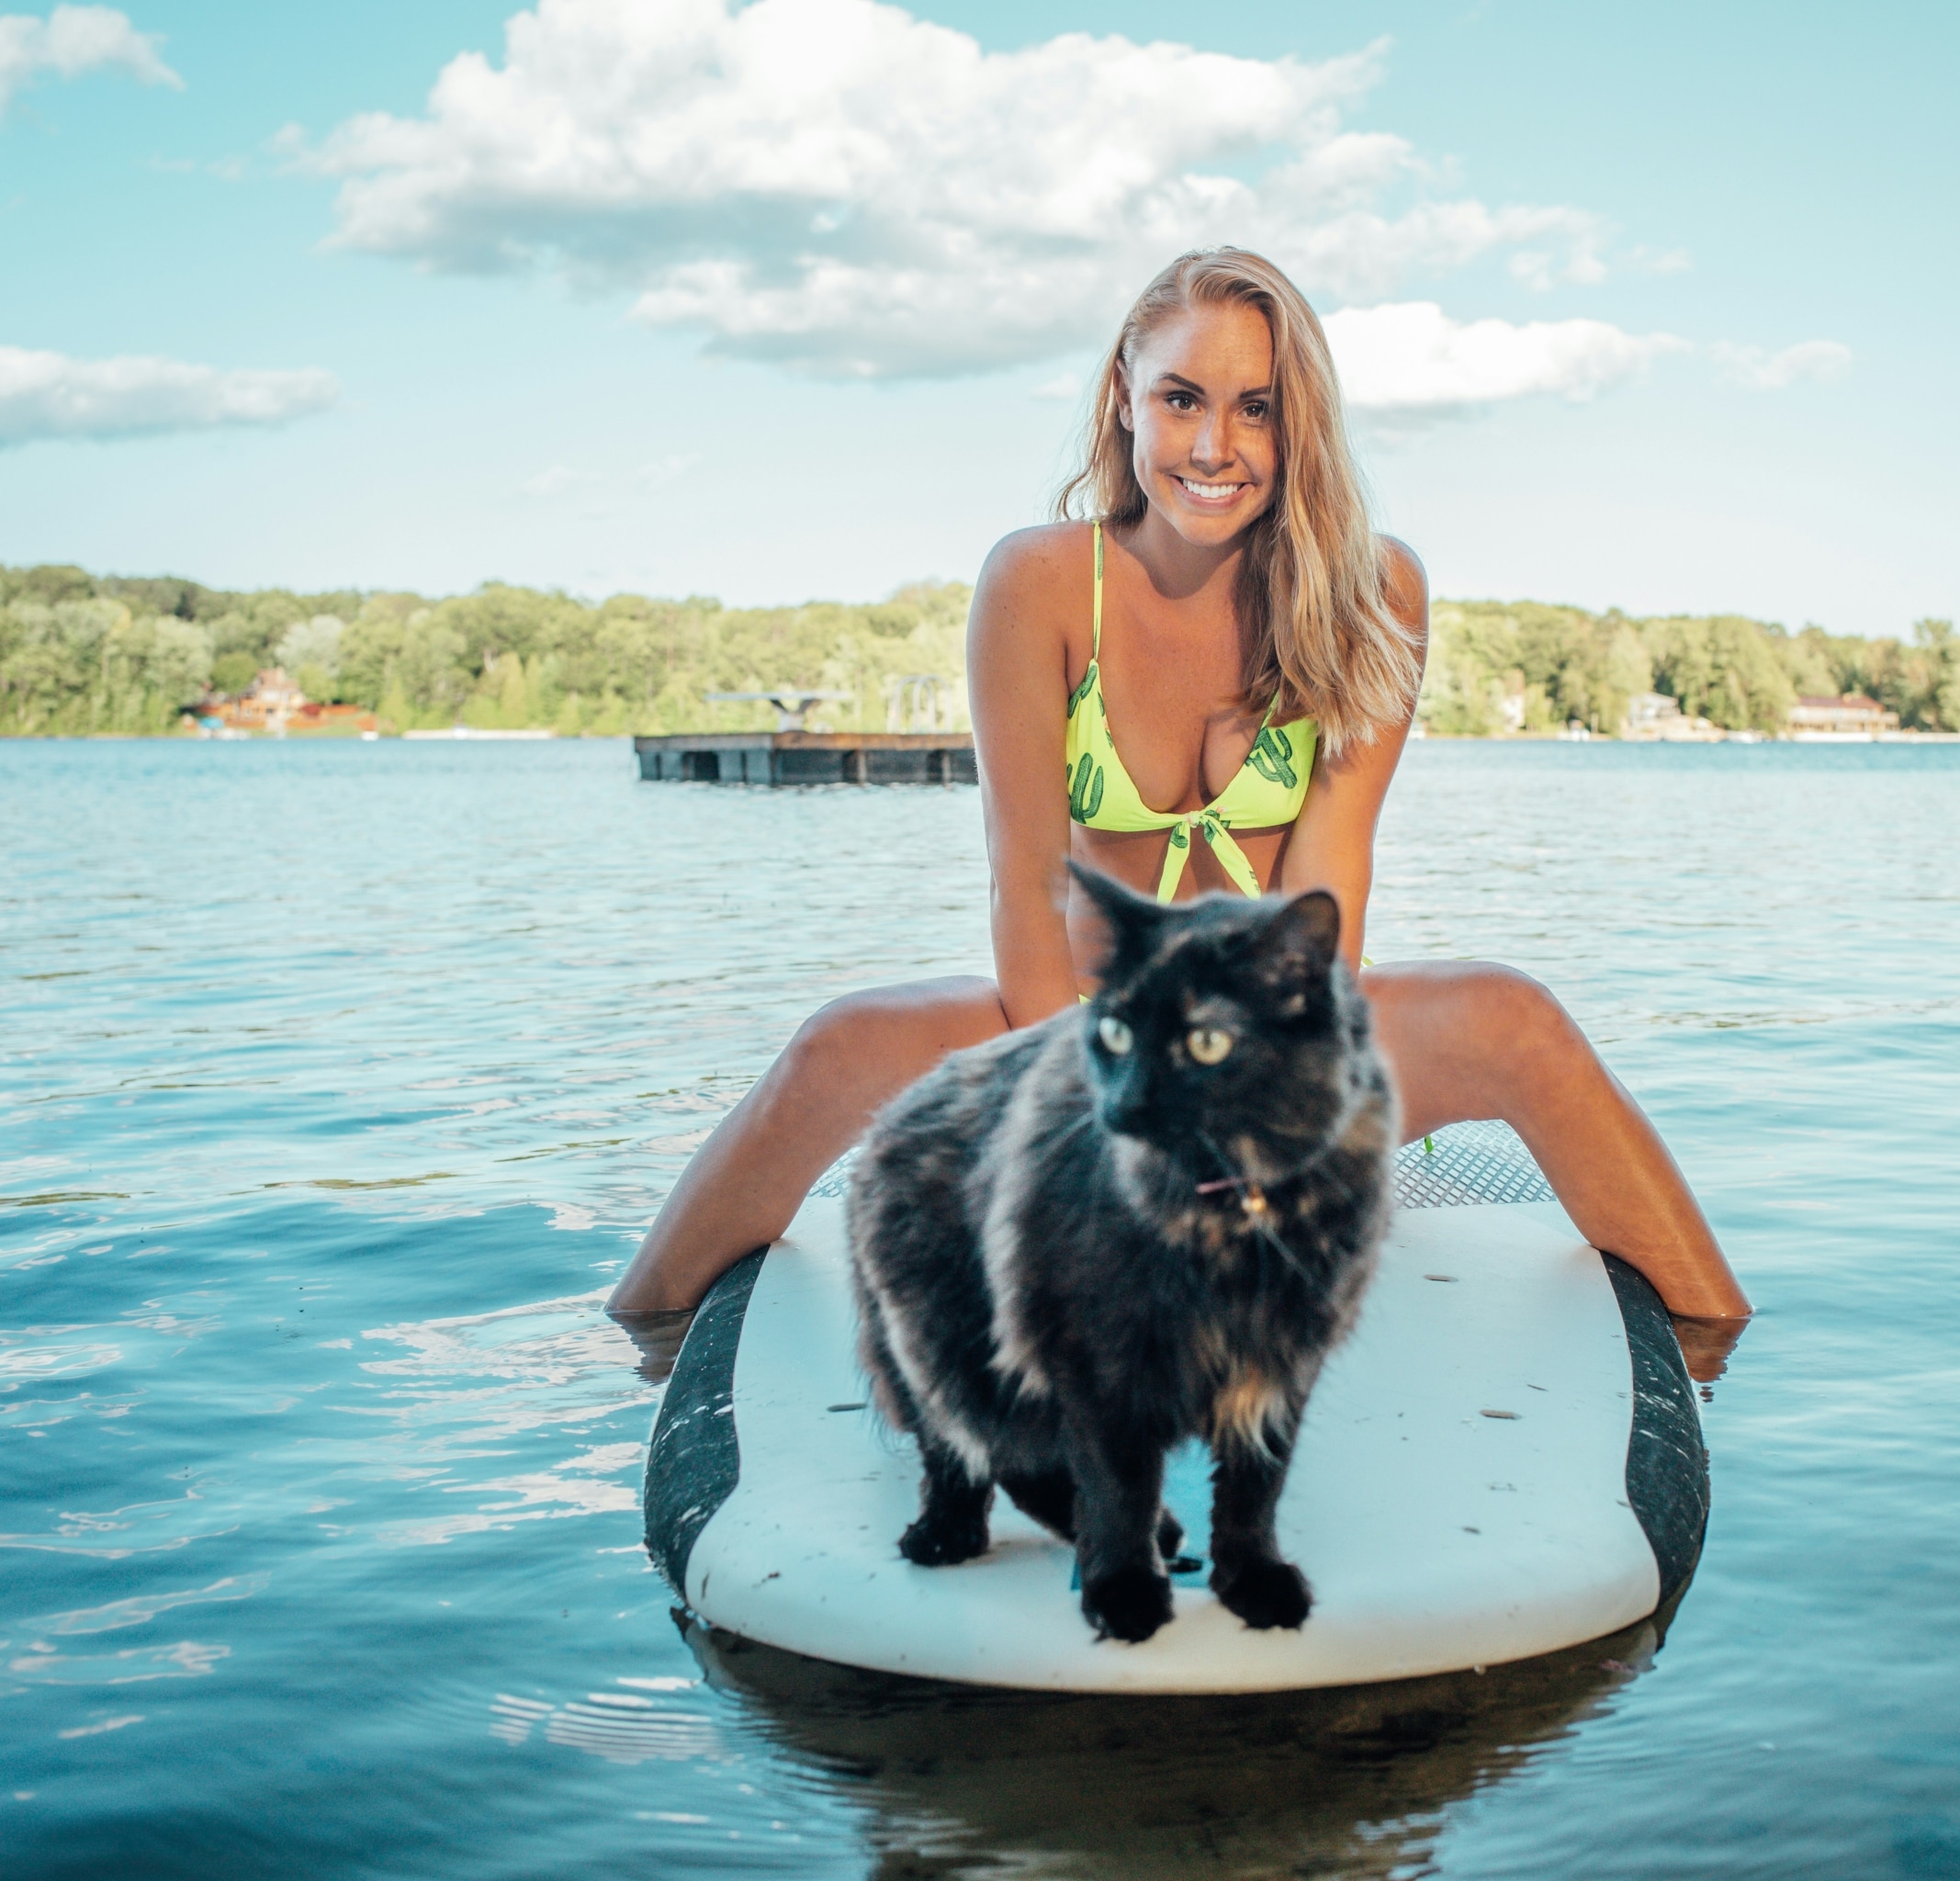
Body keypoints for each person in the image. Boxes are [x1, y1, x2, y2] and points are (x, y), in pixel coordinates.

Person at [608, 248, 1751, 1373]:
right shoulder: (1042, 583)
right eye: (1181, 398)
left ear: (1297, 423)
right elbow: (1028, 881)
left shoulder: (1373, 590)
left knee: (1516, 1021)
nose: (1215, 446)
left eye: (1256, 407)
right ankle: (644, 1339)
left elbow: (1329, 881)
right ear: (1124, 398)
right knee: (836, 1048)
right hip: (1078, 1025)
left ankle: (1708, 1351)